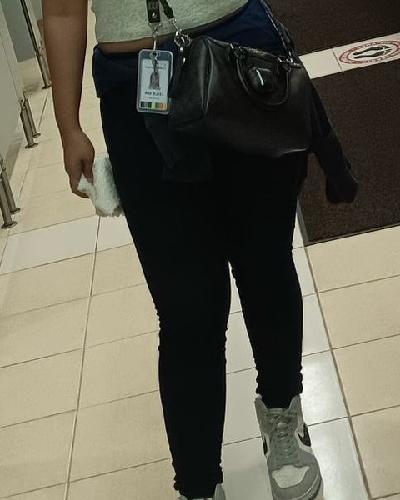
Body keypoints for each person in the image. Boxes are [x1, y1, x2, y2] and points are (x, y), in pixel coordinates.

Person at [42, 1, 325, 499]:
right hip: (135, 82)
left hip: (242, 51)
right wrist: (68, 126)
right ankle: (197, 481)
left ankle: (283, 413)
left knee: (266, 267)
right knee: (186, 307)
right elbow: (63, 10)